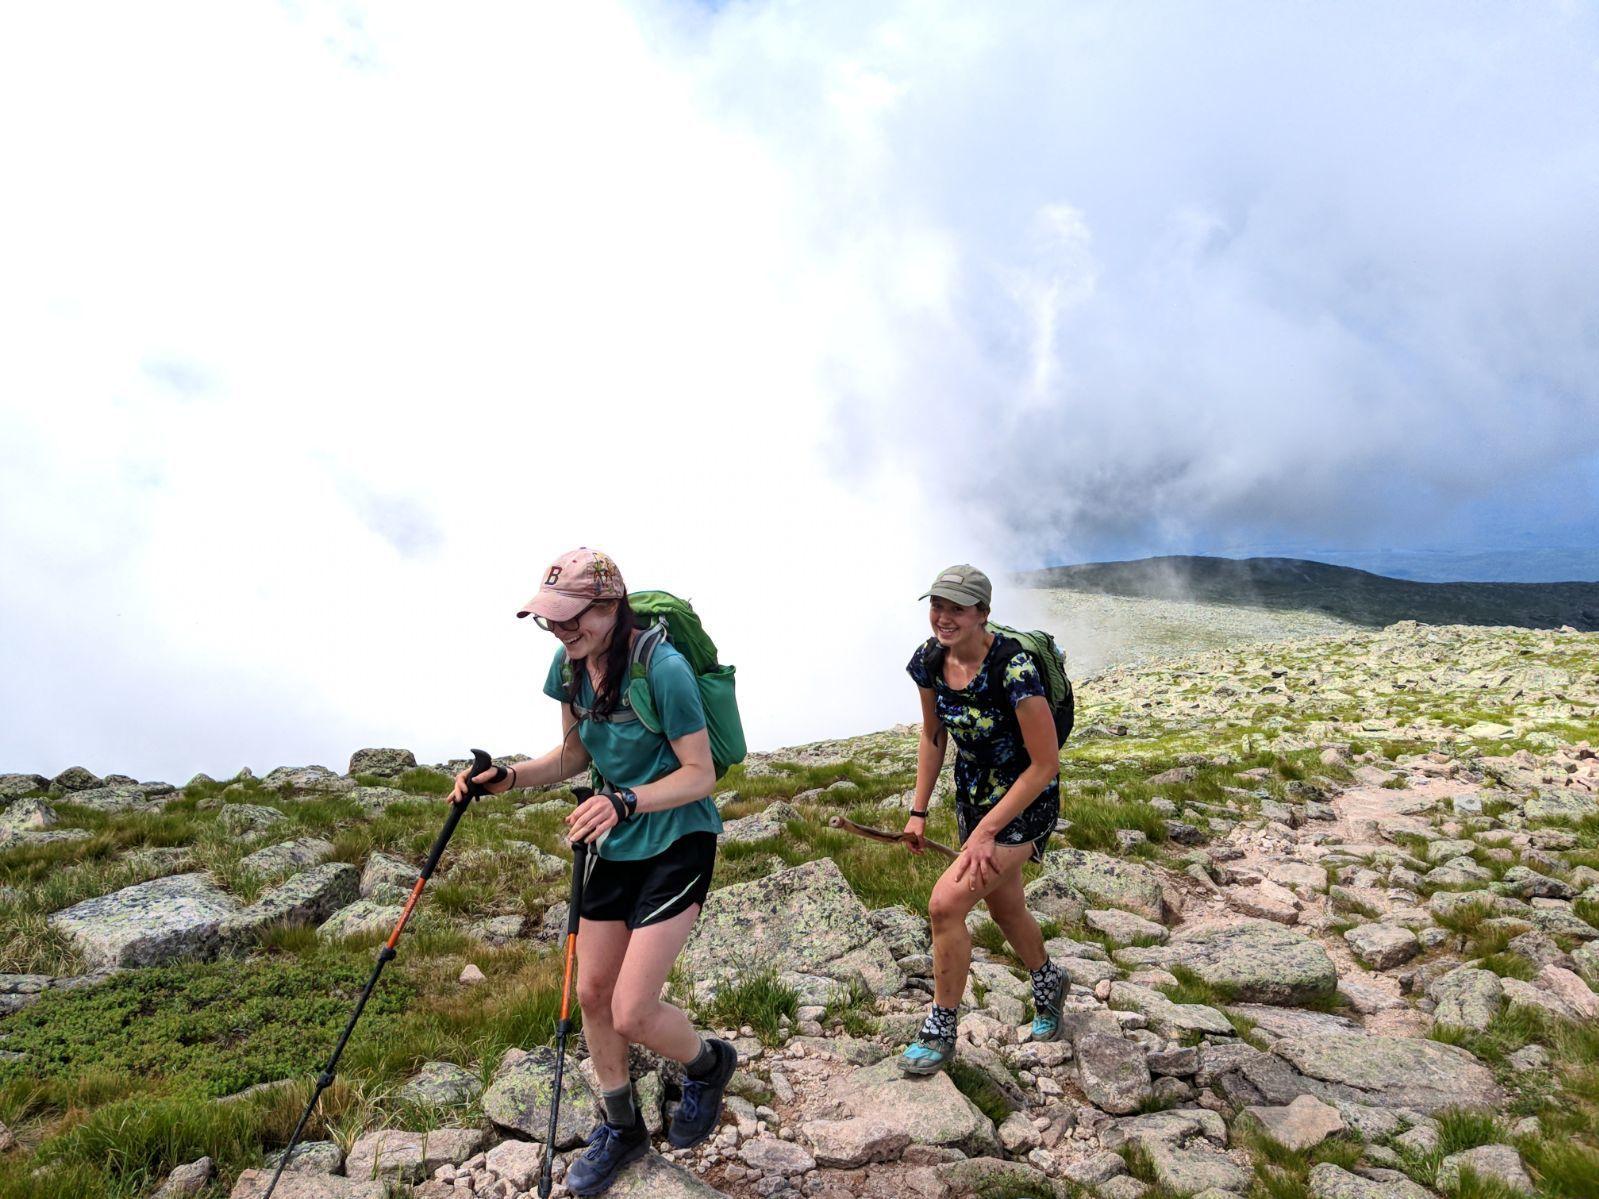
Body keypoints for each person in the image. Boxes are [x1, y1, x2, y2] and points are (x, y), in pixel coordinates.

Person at [449, 547, 733, 1196]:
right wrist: (508, 778)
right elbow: (576, 754)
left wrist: (625, 798)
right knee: (591, 996)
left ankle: (708, 1063)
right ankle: (620, 1122)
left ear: (608, 607)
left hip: (677, 840)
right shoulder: (568, 666)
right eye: (549, 619)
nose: (558, 630)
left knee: (632, 1010)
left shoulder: (661, 668)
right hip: (612, 840)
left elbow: (700, 774)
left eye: (570, 616)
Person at [897, 564, 1066, 1075]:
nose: (943, 618)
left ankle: (941, 1027)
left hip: (1024, 802)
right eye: (938, 606)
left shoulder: (1015, 670)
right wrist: (918, 810)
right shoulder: (929, 661)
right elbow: (933, 736)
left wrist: (988, 831)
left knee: (946, 904)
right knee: (1006, 908)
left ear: (982, 614)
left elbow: (1045, 763)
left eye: (957, 609)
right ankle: (1048, 980)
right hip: (973, 797)